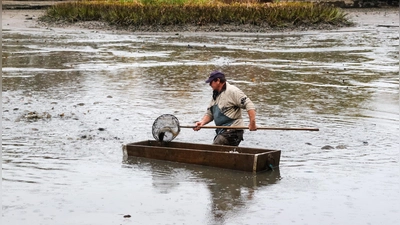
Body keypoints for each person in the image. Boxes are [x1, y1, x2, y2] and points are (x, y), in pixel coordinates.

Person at [193, 70, 257, 146]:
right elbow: (210, 113)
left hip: (234, 131)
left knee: (216, 146)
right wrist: (202, 123)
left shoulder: (233, 91)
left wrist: (252, 123)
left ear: (218, 81)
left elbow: (249, 104)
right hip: (222, 131)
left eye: (211, 82)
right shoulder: (215, 94)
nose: (209, 84)